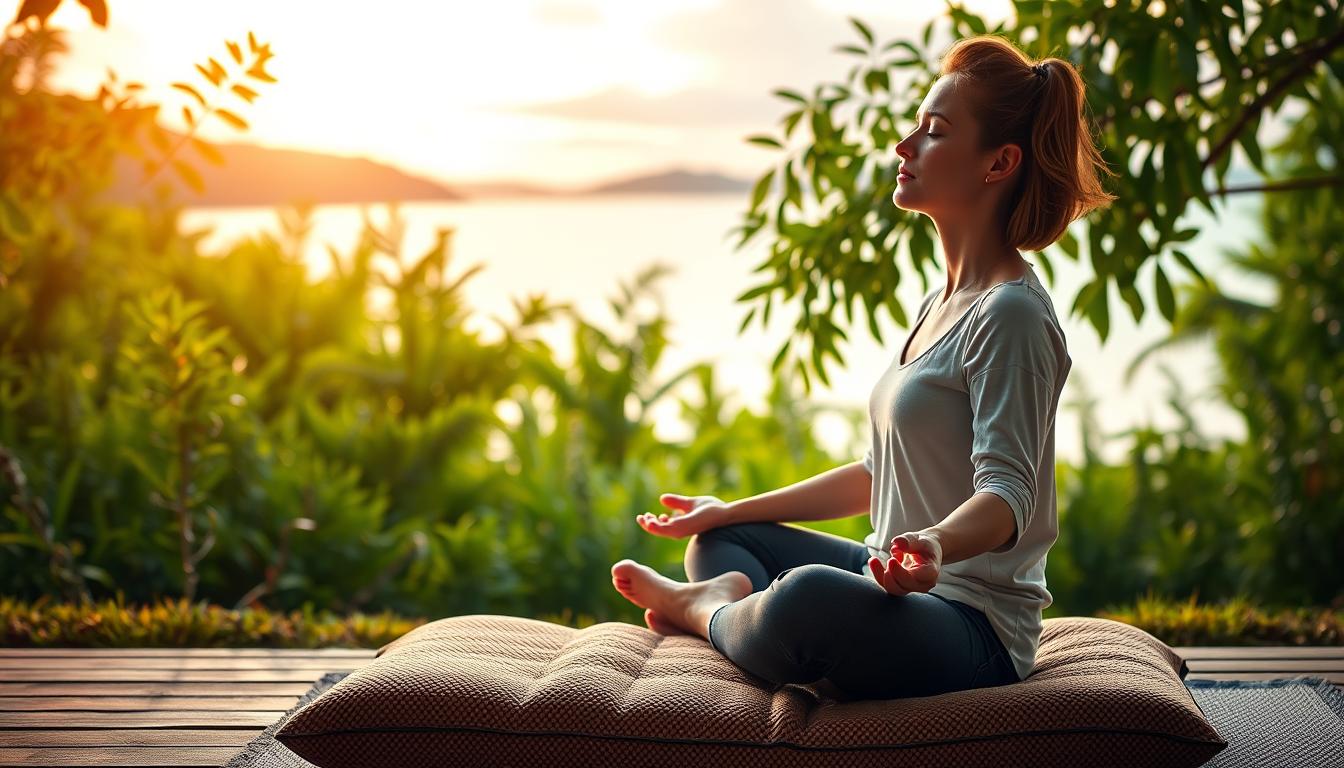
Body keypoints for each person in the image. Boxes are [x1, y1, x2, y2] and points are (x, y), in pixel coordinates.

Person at [610, 33, 1116, 701]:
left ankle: (704, 612)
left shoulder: (1012, 316)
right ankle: (736, 601)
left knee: (809, 600)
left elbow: (1008, 497)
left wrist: (934, 543)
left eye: (933, 132)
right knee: (725, 539)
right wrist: (729, 510)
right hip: (891, 574)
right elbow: (882, 476)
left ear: (999, 163)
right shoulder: (941, 302)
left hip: (971, 626)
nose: (904, 147)